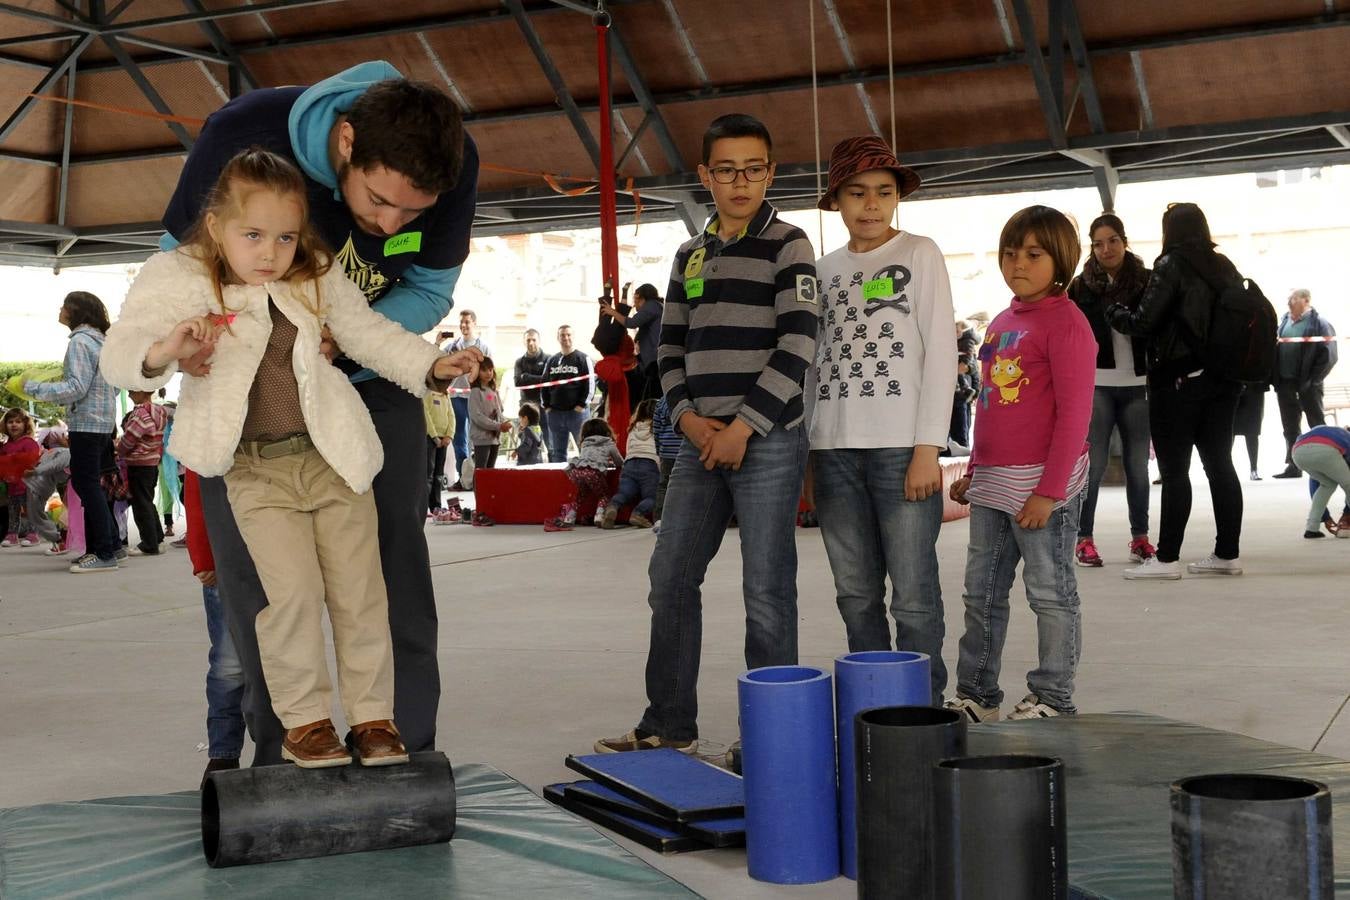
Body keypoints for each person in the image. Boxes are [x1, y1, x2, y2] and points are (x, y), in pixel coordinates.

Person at [101, 149, 481, 767]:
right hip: (255, 470)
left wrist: (430, 367)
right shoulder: (177, 275)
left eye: (284, 236)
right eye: (252, 235)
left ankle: (373, 720)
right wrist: (163, 350)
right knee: (292, 597)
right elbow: (119, 352)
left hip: (334, 458)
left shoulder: (315, 272)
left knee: (362, 594)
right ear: (217, 224)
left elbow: (366, 334)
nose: (269, 252)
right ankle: (306, 723)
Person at [595, 113, 817, 754]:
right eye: (727, 170)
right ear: (705, 176)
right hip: (697, 441)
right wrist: (689, 420)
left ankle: (770, 740)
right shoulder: (689, 255)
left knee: (767, 588)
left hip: (768, 440)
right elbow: (668, 350)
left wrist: (744, 427)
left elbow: (798, 343)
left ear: (770, 172)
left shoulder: (789, 244)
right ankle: (668, 725)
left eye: (753, 168)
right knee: (670, 577)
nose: (740, 181)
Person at [806, 135, 957, 705]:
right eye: (857, 192)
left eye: (883, 193)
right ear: (836, 201)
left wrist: (927, 447)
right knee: (855, 593)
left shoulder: (920, 253)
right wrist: (810, 454)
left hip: (901, 449)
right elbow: (813, 365)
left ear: (897, 199)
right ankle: (872, 702)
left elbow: (941, 351)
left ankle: (925, 705)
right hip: (832, 450)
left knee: (914, 592)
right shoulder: (820, 271)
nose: (871, 204)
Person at [946, 205, 1095, 723]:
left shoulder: (1069, 324)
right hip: (993, 483)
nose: (1018, 263)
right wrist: (976, 470)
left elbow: (1076, 416)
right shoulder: (1003, 322)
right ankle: (977, 694)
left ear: (1062, 260)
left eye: (1033, 254)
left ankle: (1054, 696)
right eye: (1011, 253)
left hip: (1041, 487)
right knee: (980, 592)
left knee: (1050, 592)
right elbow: (990, 406)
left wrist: (1050, 492)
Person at [1108, 202, 1245, 579]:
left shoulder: (1171, 265)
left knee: (1174, 470)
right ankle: (1227, 553)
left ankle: (1167, 559)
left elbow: (1143, 321)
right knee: (1220, 465)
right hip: (1223, 380)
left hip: (1177, 380)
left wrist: (1115, 311)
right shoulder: (1224, 266)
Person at [1066, 213, 1155, 567]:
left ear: (1124, 241)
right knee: (1094, 464)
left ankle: (1141, 538)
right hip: (1097, 384)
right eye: (1098, 243)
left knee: (1138, 465)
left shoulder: (1148, 280)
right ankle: (1083, 538)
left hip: (1139, 385)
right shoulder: (1080, 286)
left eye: (1112, 240)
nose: (1106, 249)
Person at [25, 291, 122, 573]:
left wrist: (33, 388)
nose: (60, 309)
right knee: (93, 485)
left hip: (86, 425)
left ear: (76, 310)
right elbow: (114, 387)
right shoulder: (104, 342)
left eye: (64, 305)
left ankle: (104, 553)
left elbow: (75, 387)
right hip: (103, 423)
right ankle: (110, 545)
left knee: (86, 484)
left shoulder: (80, 341)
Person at [183, 469, 246, 786]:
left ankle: (283, 746)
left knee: (282, 661)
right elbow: (195, 494)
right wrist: (203, 555)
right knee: (229, 665)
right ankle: (223, 752)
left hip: (282, 555)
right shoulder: (210, 424)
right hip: (224, 559)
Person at [1272, 289, 1338, 478]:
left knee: (1316, 424)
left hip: (1308, 384)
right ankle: (1294, 465)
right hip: (1285, 383)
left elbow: (1329, 355)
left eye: (1293, 298)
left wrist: (1312, 380)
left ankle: (1326, 464)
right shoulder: (1285, 321)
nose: (1289, 302)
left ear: (1306, 300)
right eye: (1288, 298)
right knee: (1290, 427)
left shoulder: (1319, 324)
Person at [444, 309, 492, 487]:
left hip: (476, 398)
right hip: (456, 397)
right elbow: (438, 363)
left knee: (478, 437)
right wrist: (438, 342)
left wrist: (489, 397)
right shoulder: (452, 347)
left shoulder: (483, 347)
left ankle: (478, 476)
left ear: (474, 324)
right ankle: (463, 477)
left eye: (467, 322)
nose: (464, 325)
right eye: (461, 322)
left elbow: (490, 373)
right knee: (459, 438)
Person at [117, 390, 169, 555]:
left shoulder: (140, 414)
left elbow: (129, 439)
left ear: (141, 391)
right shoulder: (159, 412)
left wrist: (119, 450)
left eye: (132, 391)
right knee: (147, 501)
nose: (130, 394)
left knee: (140, 504)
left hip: (139, 463)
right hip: (152, 462)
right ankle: (157, 538)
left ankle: (149, 544)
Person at [600, 283, 665, 405]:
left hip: (654, 360)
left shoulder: (651, 306)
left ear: (643, 298)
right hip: (653, 360)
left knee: (652, 398)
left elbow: (631, 322)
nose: (634, 305)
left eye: (635, 299)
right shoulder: (658, 308)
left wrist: (612, 312)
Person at [601, 399, 660, 529]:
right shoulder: (657, 427)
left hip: (630, 463)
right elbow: (660, 449)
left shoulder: (633, 428)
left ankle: (613, 506)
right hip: (650, 464)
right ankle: (638, 513)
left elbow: (628, 448)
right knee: (653, 496)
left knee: (624, 493)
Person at [554, 417, 623, 529]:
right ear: (606, 430)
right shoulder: (609, 443)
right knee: (603, 495)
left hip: (577, 471)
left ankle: (569, 517)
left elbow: (590, 458)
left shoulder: (585, 443)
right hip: (593, 473)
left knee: (580, 495)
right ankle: (599, 516)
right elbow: (618, 461)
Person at [542, 325, 594, 462]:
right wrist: (546, 405)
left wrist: (582, 404)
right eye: (562, 335)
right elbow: (544, 384)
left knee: (585, 450)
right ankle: (559, 482)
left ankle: (586, 480)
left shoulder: (583, 358)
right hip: (555, 414)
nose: (566, 338)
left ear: (573, 336)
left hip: (577, 414)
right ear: (558, 338)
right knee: (558, 453)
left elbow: (590, 384)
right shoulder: (551, 361)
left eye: (568, 335)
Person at [1291, 425, 1350, 539]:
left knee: (1326, 485)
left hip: (1297, 453)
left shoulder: (1327, 430)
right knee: (1348, 484)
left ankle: (1312, 528)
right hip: (1325, 451)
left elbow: (1314, 484)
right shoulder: (1347, 437)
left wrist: (1326, 517)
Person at [22, 428, 71, 554]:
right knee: (35, 516)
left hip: (39, 487)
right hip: (33, 484)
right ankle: (59, 540)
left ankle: (59, 541)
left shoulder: (67, 452)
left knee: (37, 516)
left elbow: (54, 466)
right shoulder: (49, 452)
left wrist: (35, 472)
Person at [1, 409, 41, 547]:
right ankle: (12, 534)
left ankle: (33, 534)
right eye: (10, 422)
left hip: (28, 485)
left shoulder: (29, 443)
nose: (14, 425)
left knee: (30, 509)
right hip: (12, 485)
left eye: (18, 422)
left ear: (25, 425)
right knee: (13, 510)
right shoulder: (6, 446)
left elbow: (33, 462)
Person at [468, 356, 510, 473]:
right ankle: (478, 492)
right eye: (484, 370)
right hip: (481, 438)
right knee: (481, 472)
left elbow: (499, 411)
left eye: (490, 369)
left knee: (491, 472)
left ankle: (489, 492)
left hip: (494, 438)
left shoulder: (493, 391)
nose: (488, 373)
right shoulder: (476, 392)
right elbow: (477, 417)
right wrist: (498, 426)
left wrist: (503, 423)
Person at [513, 328, 551, 455]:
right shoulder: (519, 362)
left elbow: (547, 380)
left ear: (539, 341)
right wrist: (539, 379)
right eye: (528, 340)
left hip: (544, 403)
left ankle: (554, 467)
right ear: (524, 342)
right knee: (526, 439)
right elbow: (517, 383)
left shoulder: (548, 359)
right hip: (526, 405)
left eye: (534, 340)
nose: (531, 343)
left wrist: (527, 377)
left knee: (549, 441)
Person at [650, 396, 680, 527]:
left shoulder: (662, 402)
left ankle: (659, 519)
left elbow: (656, 429)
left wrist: (659, 451)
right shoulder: (689, 398)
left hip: (667, 450)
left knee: (664, 485)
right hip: (685, 449)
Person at [423, 384, 453, 512]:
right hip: (431, 438)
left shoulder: (446, 394)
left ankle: (436, 505)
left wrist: (449, 435)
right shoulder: (427, 393)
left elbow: (451, 415)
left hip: (444, 439)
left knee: (439, 474)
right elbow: (426, 415)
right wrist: (434, 436)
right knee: (429, 472)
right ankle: (423, 506)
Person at [1232, 383, 1267, 481]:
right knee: (1230, 431)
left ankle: (1254, 469)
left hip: (1255, 388)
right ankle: (1224, 469)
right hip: (1234, 387)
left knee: (1252, 431)